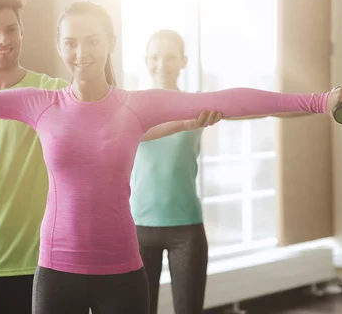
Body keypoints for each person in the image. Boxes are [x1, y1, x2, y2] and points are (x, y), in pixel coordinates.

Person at [0, 2, 342, 314]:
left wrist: (317, 101)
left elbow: (236, 101)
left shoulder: (135, 106)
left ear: (110, 43)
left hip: (123, 270)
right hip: (54, 271)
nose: (83, 52)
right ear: (60, 46)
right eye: (72, 43)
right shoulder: (40, 103)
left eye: (94, 41)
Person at [0, 0, 217, 314]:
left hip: (42, 263)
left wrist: (185, 122)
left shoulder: (55, 95)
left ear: (22, 32)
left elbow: (122, 129)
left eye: (10, 30)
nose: (3, 40)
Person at [131, 29, 311, 314]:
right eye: (155, 57)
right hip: (138, 229)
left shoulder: (197, 105)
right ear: (145, 60)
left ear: (184, 61)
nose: (161, 64)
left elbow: (260, 108)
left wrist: (319, 103)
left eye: (169, 57)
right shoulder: (132, 106)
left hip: (186, 230)